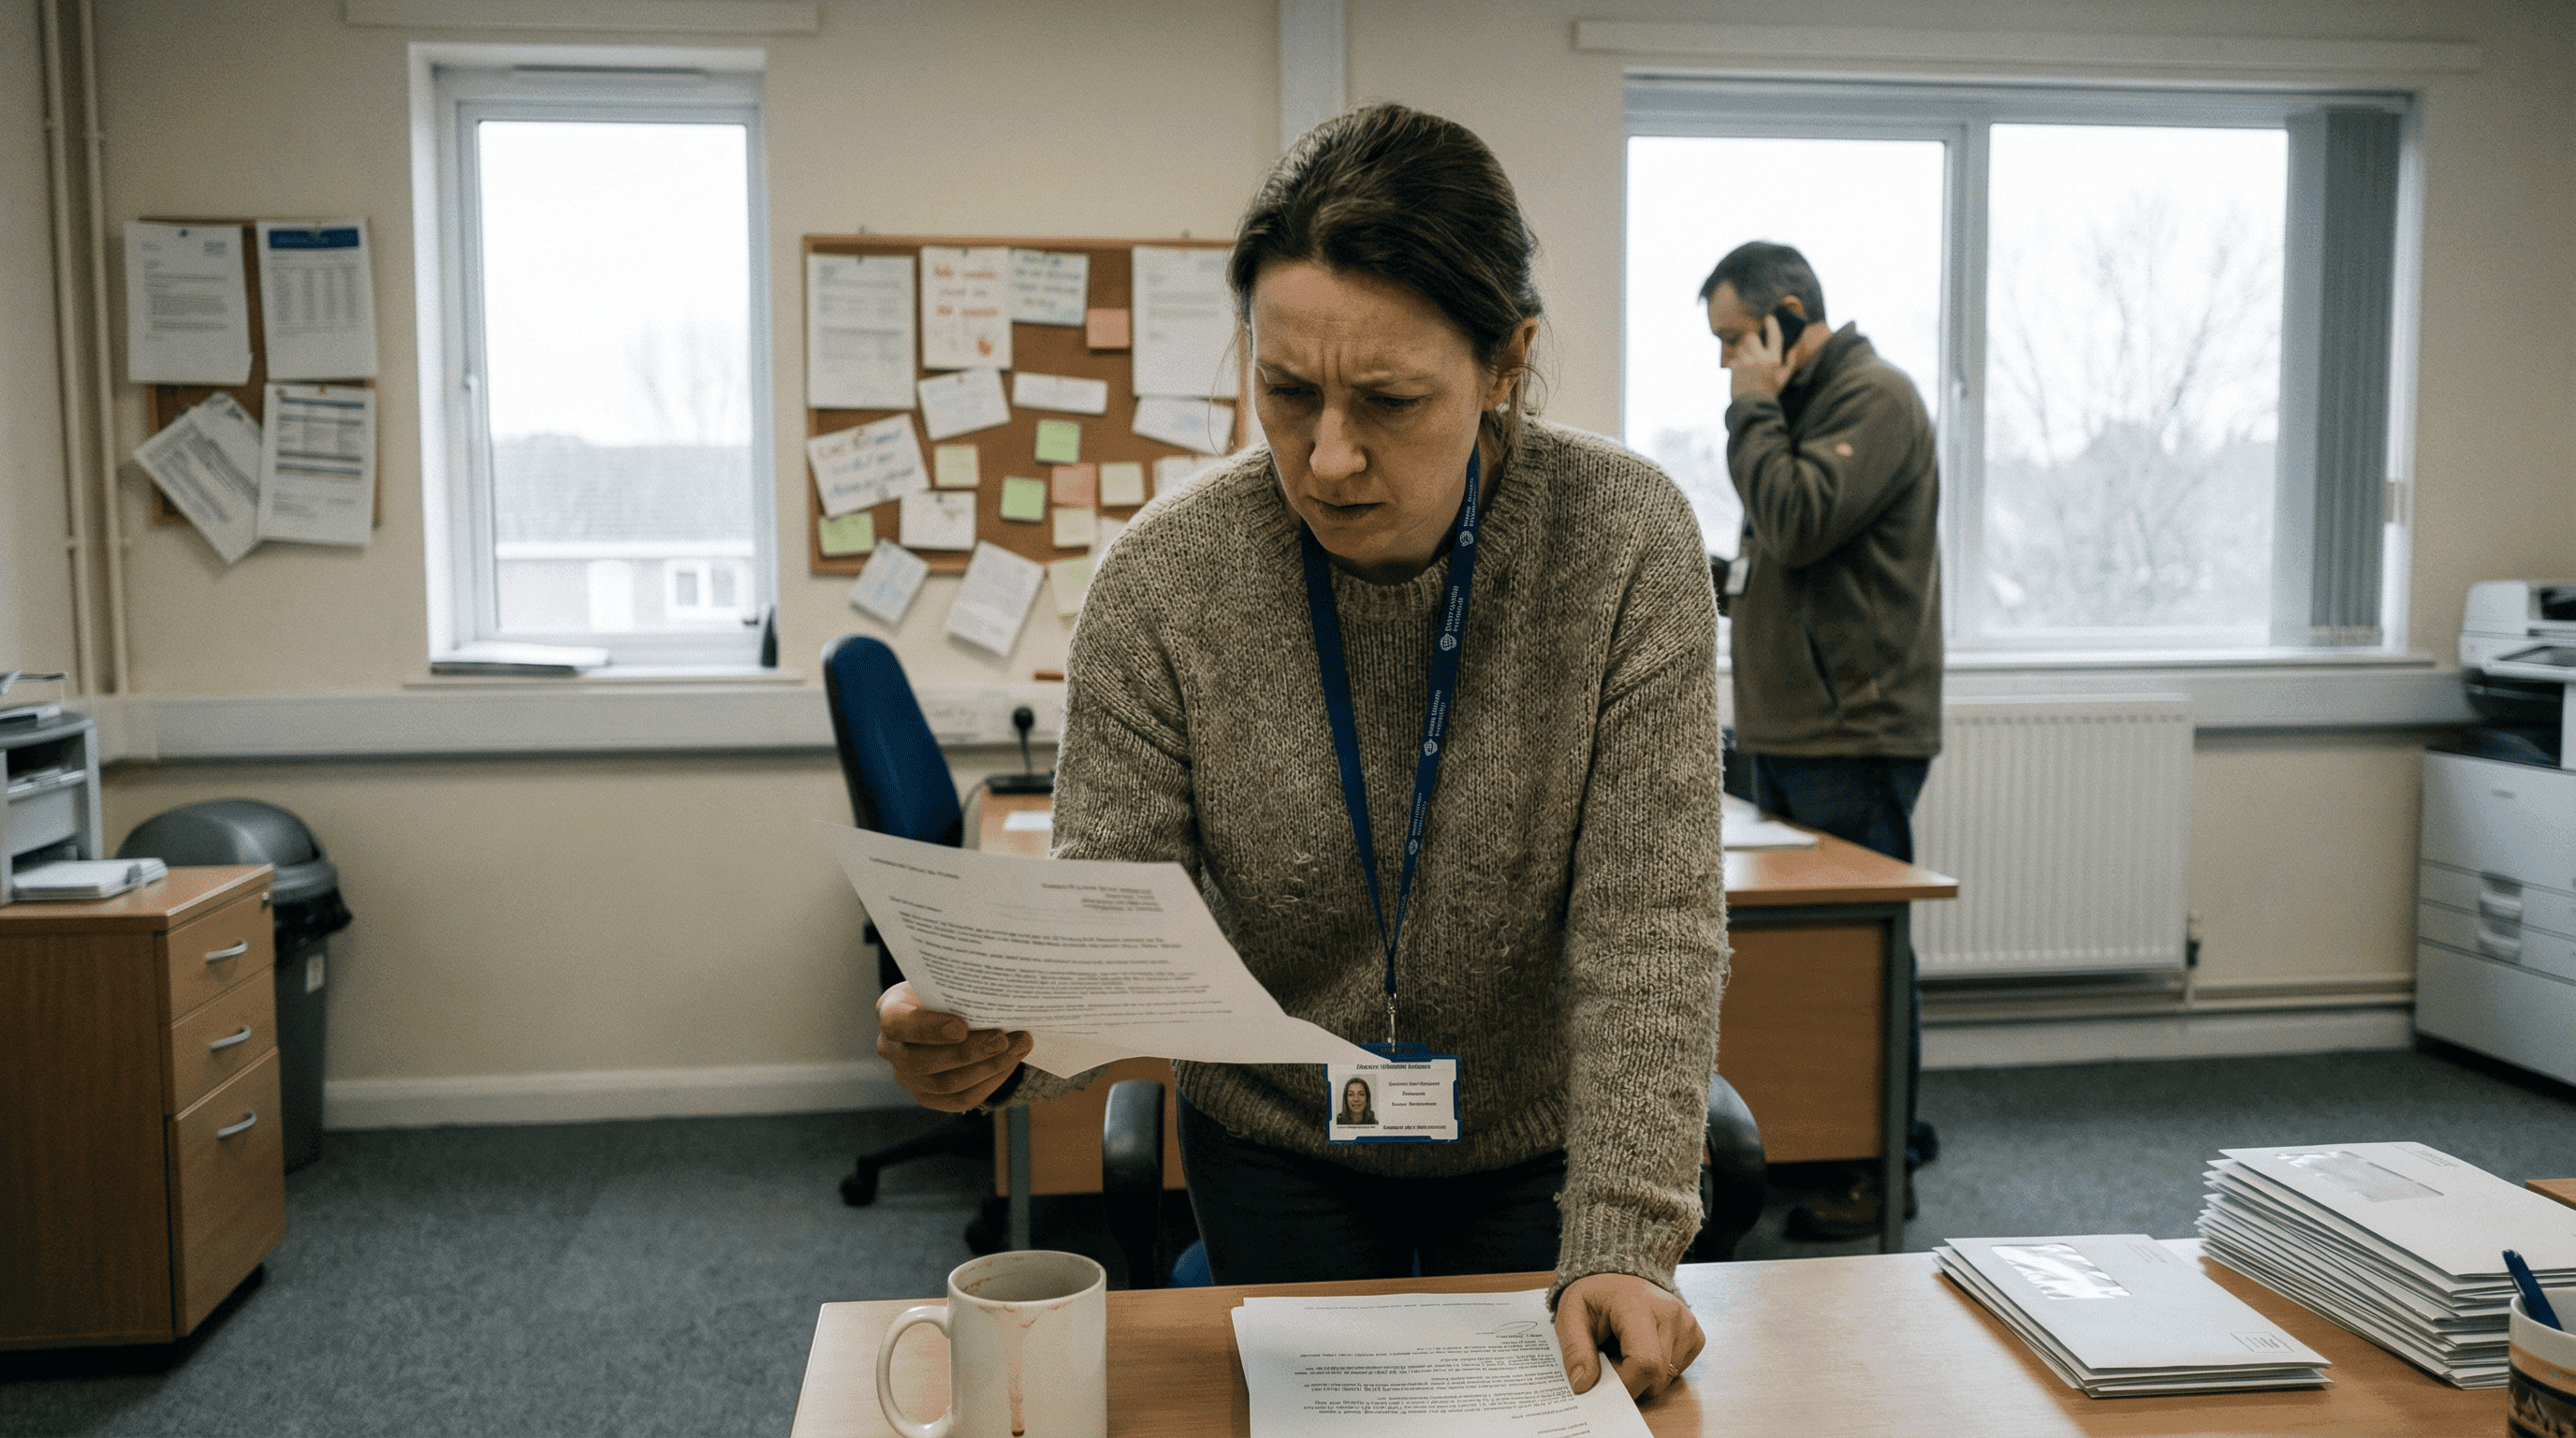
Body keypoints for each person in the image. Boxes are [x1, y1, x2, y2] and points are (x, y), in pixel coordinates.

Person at [879, 103, 1727, 1404]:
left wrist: (1624, 1237)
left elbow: (1649, 925)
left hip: (1531, 1142)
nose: (1327, 459)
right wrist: (997, 1041)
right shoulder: (1167, 581)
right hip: (1274, 1140)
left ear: (1508, 362)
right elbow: (1113, 929)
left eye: (1389, 401)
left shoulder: (1625, 546)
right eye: (1287, 392)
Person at [1701, 240, 1941, 1240]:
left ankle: (1876, 1165)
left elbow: (1797, 522)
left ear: (1786, 318)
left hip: (1850, 732)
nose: (1725, 365)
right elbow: (1783, 566)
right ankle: (1828, 1130)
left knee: (1863, 955)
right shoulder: (1806, 410)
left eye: (1734, 342)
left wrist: (1752, 408)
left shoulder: (1873, 398)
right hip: (1786, 729)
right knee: (1799, 961)